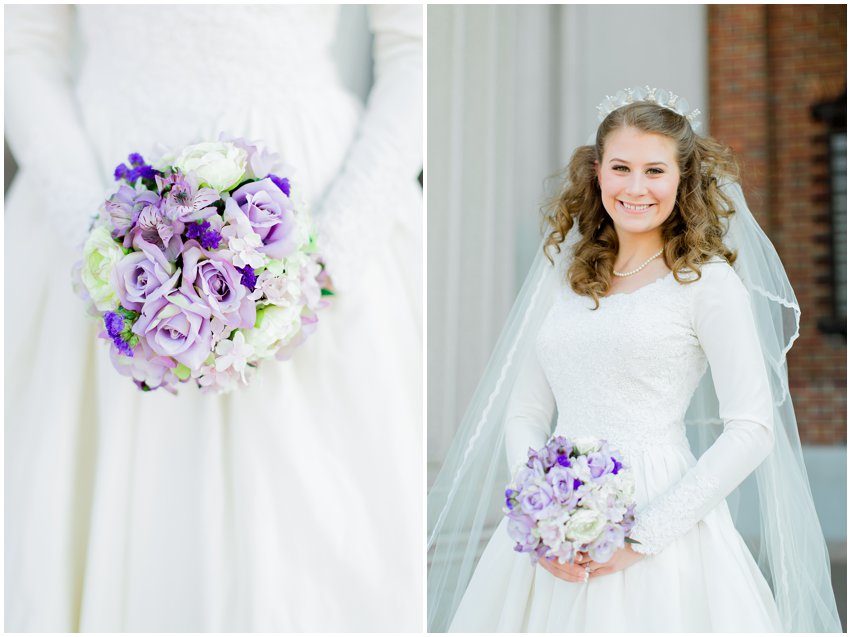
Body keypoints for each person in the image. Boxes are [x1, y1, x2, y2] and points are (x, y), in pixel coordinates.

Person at [5, 5, 422, 632]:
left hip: (304, 206)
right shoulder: (99, 235)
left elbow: (416, 49)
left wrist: (331, 255)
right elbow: (21, 46)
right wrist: (98, 246)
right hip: (103, 185)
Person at [427, 87, 841, 632]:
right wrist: (539, 515)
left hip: (659, 516)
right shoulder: (567, 274)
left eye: (655, 170)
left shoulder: (707, 285)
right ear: (598, 173)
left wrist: (640, 537)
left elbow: (753, 429)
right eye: (621, 168)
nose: (636, 188)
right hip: (551, 527)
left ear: (682, 180)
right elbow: (525, 413)